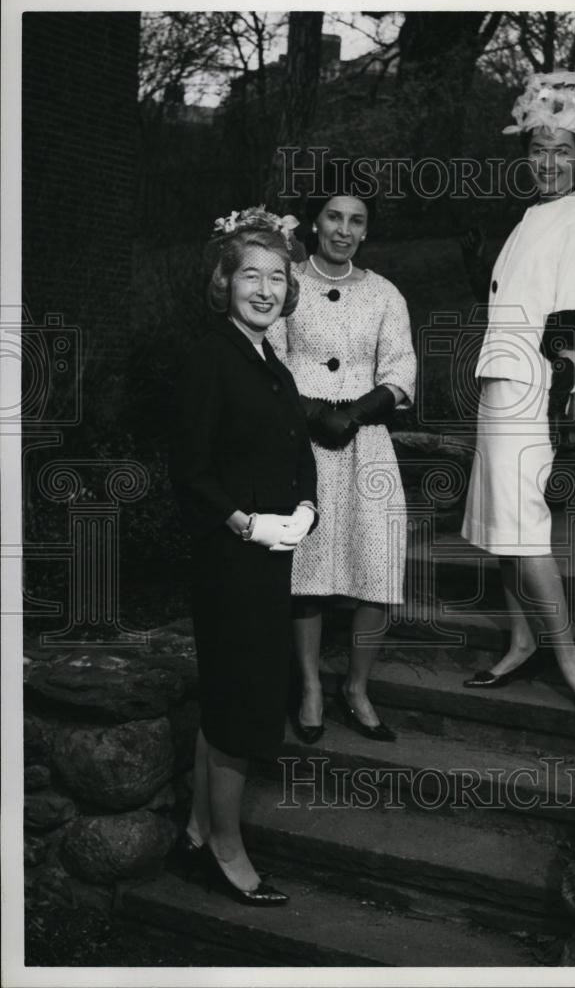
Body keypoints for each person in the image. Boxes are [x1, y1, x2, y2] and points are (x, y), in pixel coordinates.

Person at [169, 205, 318, 905]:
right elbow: (190, 470)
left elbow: (299, 452)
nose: (264, 288)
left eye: (277, 277)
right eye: (249, 275)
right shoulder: (210, 357)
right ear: (224, 282)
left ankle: (197, 835)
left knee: (230, 699)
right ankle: (229, 852)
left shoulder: (271, 364)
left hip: (270, 560)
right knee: (240, 705)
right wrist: (244, 525)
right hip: (230, 563)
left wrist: (306, 512)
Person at [460, 71, 575, 713]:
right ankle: (521, 642)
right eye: (539, 149)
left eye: (563, 151)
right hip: (501, 383)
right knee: (500, 523)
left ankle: (568, 653)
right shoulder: (531, 216)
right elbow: (520, 300)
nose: (548, 163)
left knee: (525, 528)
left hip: (532, 391)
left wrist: (561, 389)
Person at [267, 179, 416, 743]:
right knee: (305, 569)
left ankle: (356, 687)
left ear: (366, 229)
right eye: (334, 217)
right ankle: (309, 688)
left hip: (366, 444)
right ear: (314, 222)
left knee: (378, 566)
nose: (344, 231)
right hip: (299, 442)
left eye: (357, 221)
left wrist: (351, 413)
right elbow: (269, 359)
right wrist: (310, 412)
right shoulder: (288, 284)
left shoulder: (384, 293)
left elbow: (401, 370)